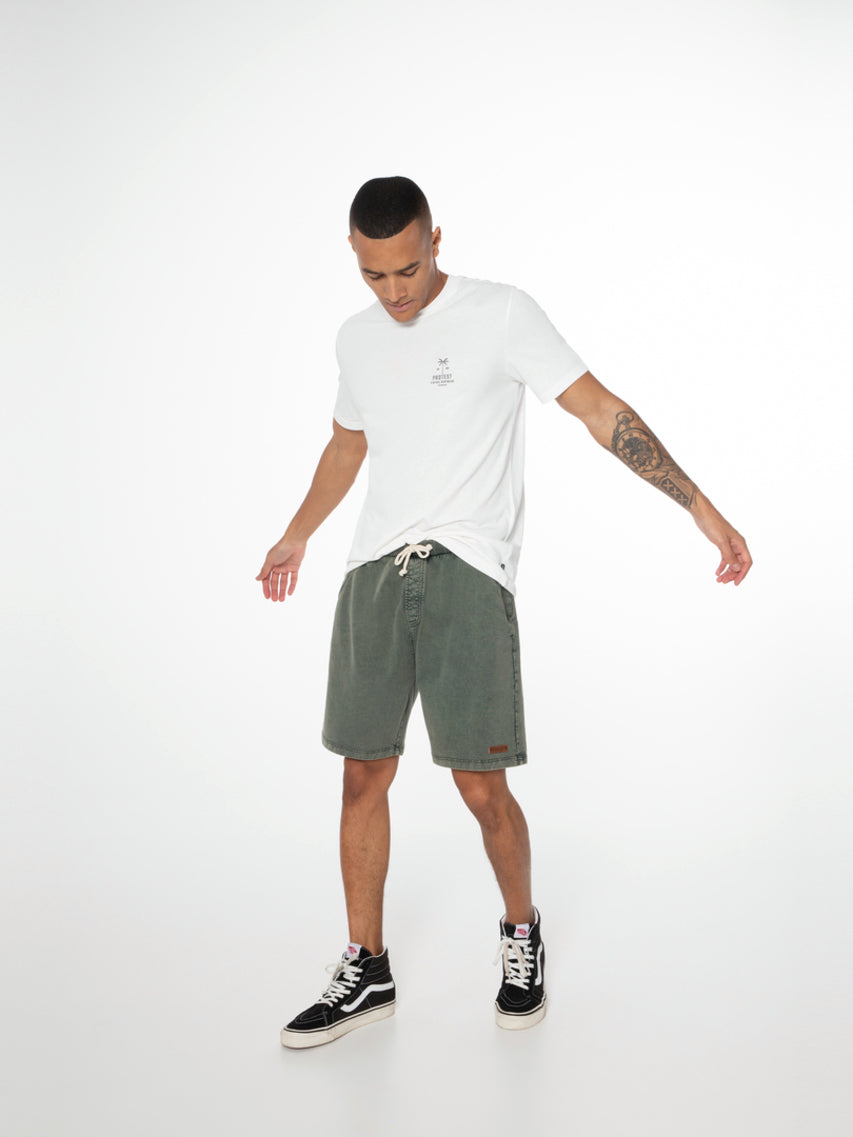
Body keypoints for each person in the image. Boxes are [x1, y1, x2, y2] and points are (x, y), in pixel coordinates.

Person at [257, 176, 752, 1050]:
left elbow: (600, 410)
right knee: (361, 775)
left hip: (467, 570)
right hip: (372, 570)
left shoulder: (501, 313)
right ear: (354, 258)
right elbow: (346, 442)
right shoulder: (355, 339)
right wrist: (296, 533)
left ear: (435, 240)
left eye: (408, 269)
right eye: (374, 275)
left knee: (480, 785)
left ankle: (520, 930)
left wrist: (699, 508)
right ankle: (367, 965)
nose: (394, 291)